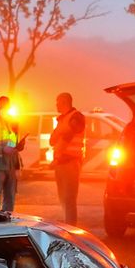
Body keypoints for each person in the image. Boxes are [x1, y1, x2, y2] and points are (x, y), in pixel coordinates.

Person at [50, 91, 86, 223]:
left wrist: (58, 158)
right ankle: (68, 226)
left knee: (69, 198)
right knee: (63, 198)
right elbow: (53, 140)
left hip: (70, 162)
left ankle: (71, 229)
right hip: (61, 163)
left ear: (65, 102)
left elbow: (67, 137)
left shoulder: (76, 117)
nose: (56, 105)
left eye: (57, 102)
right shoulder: (62, 119)